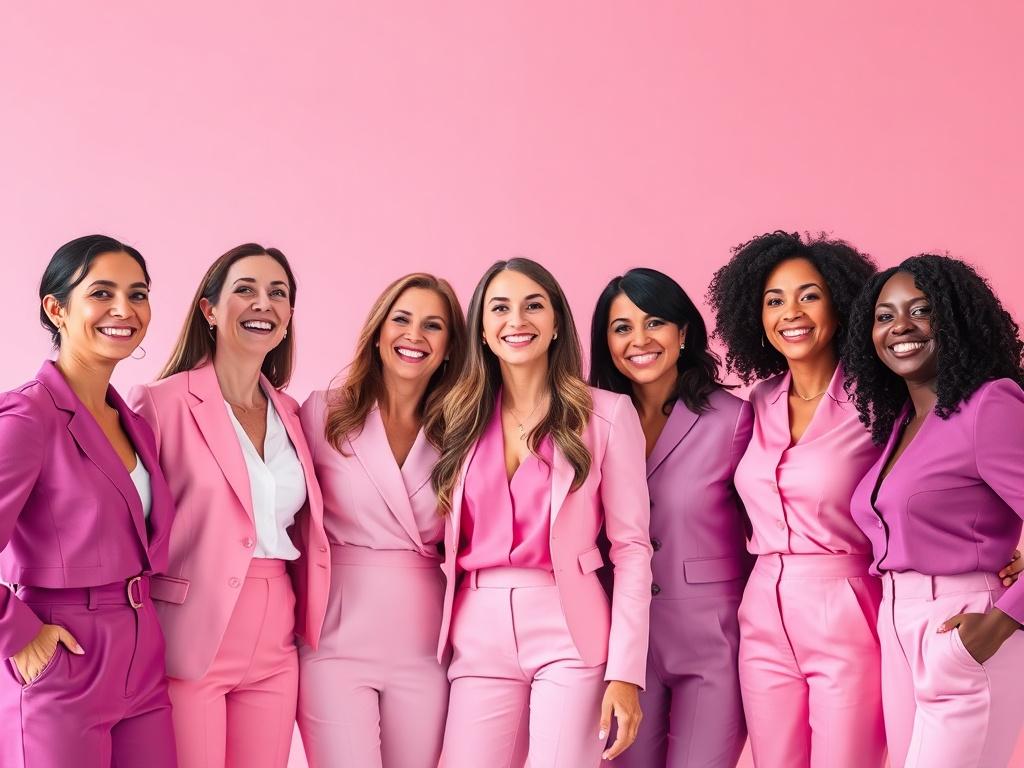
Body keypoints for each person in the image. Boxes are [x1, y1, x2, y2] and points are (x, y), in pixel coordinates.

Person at [432, 258, 652, 767]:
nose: (518, 320)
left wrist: (625, 672)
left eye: (534, 305)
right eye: (500, 308)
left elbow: (632, 549)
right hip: (477, 626)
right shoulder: (456, 419)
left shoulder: (606, 415)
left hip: (569, 624)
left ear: (556, 324)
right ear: (482, 331)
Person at [128, 243, 329, 768]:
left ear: (287, 318)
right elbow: (130, 524)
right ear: (209, 309)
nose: (263, 304)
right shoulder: (160, 402)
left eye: (277, 294)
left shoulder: (293, 412)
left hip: (277, 636)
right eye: (245, 290)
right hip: (191, 633)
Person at [706, 230, 886, 768]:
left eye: (809, 294)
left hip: (848, 604)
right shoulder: (755, 403)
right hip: (761, 608)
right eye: (774, 300)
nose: (792, 311)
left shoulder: (879, 401)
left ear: (839, 301)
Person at [0, 235, 177, 767]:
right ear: (56, 308)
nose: (125, 309)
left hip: (143, 657)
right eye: (102, 293)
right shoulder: (27, 418)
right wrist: (16, 632)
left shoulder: (136, 424)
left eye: (138, 294)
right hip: (64, 653)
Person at [844, 255, 1024, 767]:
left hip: (963, 623)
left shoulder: (990, 404)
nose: (900, 326)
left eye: (921, 310)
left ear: (955, 319)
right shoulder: (902, 421)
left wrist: (1000, 625)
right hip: (898, 628)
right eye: (884, 316)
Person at [297, 273, 466, 768]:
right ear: (377, 331)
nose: (414, 335)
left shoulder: (463, 427)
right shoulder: (322, 411)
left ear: (450, 348)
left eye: (433, 325)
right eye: (402, 320)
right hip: (333, 634)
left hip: (426, 640)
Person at [589, 267, 752, 768]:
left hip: (713, 640)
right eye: (621, 328)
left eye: (655, 322)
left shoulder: (734, 419)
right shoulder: (590, 422)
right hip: (622, 642)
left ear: (683, 333)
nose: (639, 340)